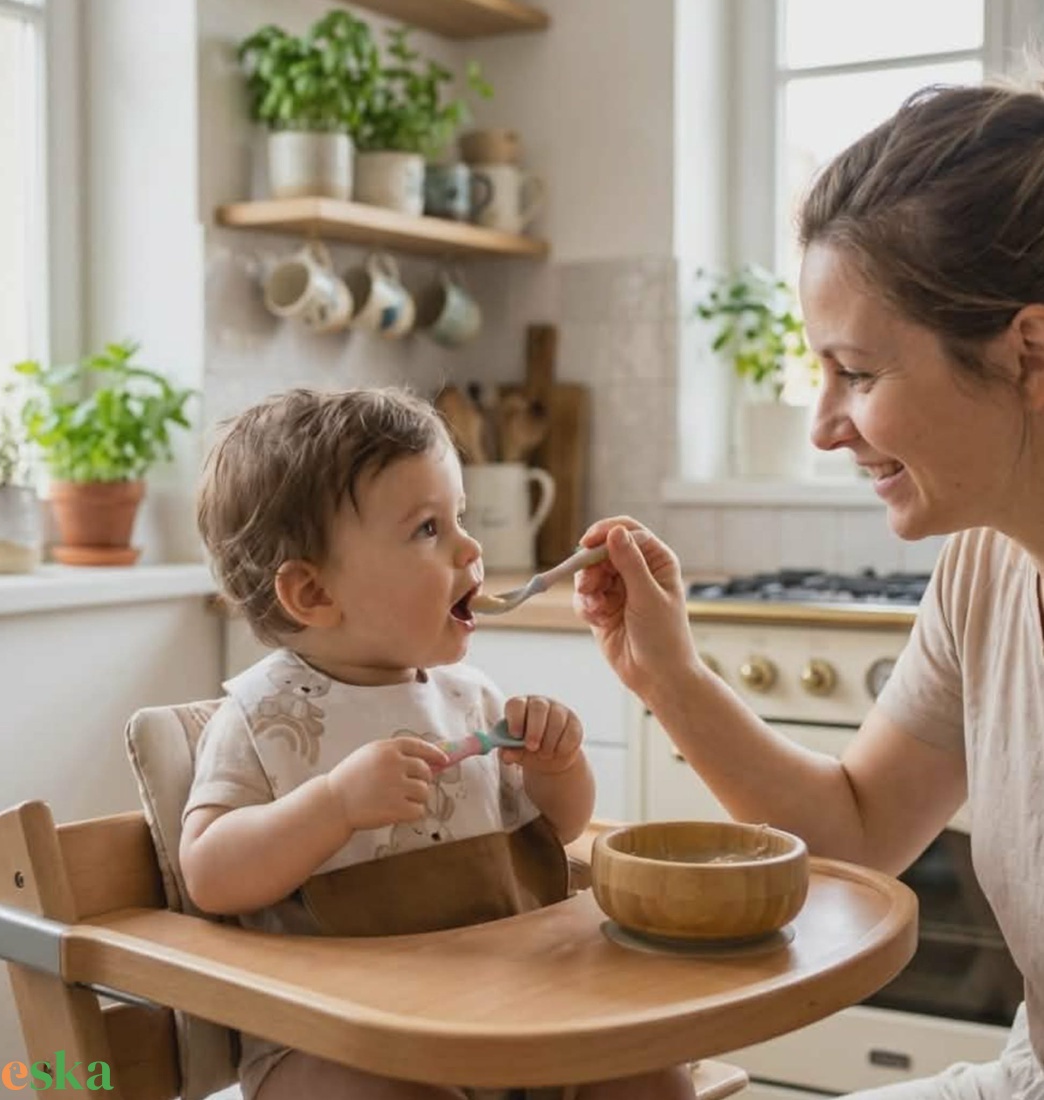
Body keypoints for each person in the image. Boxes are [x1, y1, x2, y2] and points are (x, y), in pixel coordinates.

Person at [575, 78, 1044, 1100]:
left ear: (1028, 350)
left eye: (857, 374)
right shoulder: (983, 570)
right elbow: (855, 829)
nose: (822, 424)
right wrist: (668, 674)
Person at [183, 387, 694, 1100]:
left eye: (458, 518)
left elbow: (559, 829)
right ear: (312, 594)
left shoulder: (471, 698)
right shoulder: (262, 718)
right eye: (428, 529)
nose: (470, 546)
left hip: (508, 1016)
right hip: (336, 1041)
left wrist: (557, 768)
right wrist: (332, 805)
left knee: (654, 1073)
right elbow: (209, 873)